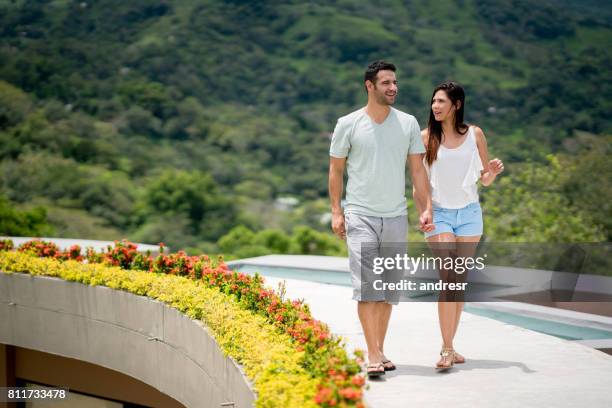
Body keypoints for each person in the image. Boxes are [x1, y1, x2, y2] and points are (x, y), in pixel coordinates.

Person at [328, 60, 434, 378]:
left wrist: (425, 207)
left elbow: (417, 169)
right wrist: (336, 211)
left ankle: (380, 349)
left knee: (389, 291)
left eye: (395, 82)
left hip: (397, 216)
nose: (393, 88)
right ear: (369, 86)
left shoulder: (408, 123)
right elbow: (336, 169)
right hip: (360, 214)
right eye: (386, 82)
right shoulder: (348, 123)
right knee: (367, 288)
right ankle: (372, 354)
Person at [417, 81, 504, 370]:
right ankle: (445, 349)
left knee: (458, 281)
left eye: (441, 102)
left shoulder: (475, 134)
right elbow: (419, 185)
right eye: (433, 102)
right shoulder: (425, 137)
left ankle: (451, 346)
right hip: (440, 214)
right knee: (448, 279)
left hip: (469, 214)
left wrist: (491, 172)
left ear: (456, 105)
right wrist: (425, 212)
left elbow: (484, 179)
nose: (436, 107)